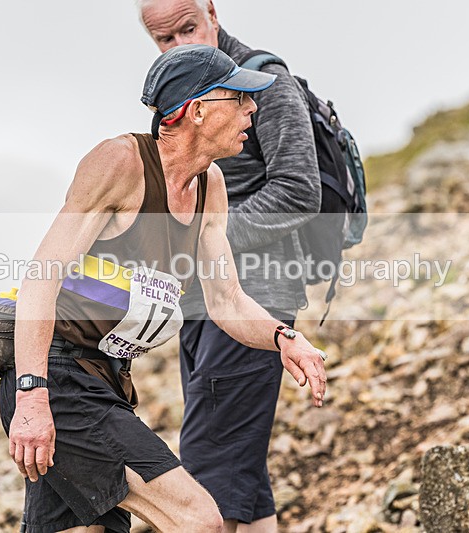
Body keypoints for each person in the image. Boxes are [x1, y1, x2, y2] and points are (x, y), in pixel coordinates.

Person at [0, 44, 327, 533]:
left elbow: (226, 300)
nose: (252, 109)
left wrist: (285, 338)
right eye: (239, 98)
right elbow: (40, 279)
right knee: (198, 519)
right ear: (197, 110)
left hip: (107, 379)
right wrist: (31, 396)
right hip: (56, 378)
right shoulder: (120, 163)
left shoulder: (210, 186)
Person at [138, 1, 322, 530]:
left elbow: (299, 191)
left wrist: (204, 239)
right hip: (201, 302)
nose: (181, 45)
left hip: (257, 294)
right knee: (241, 473)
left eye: (189, 28)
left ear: (212, 13)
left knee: (209, 469)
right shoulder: (183, 87)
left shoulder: (267, 83)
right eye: (164, 39)